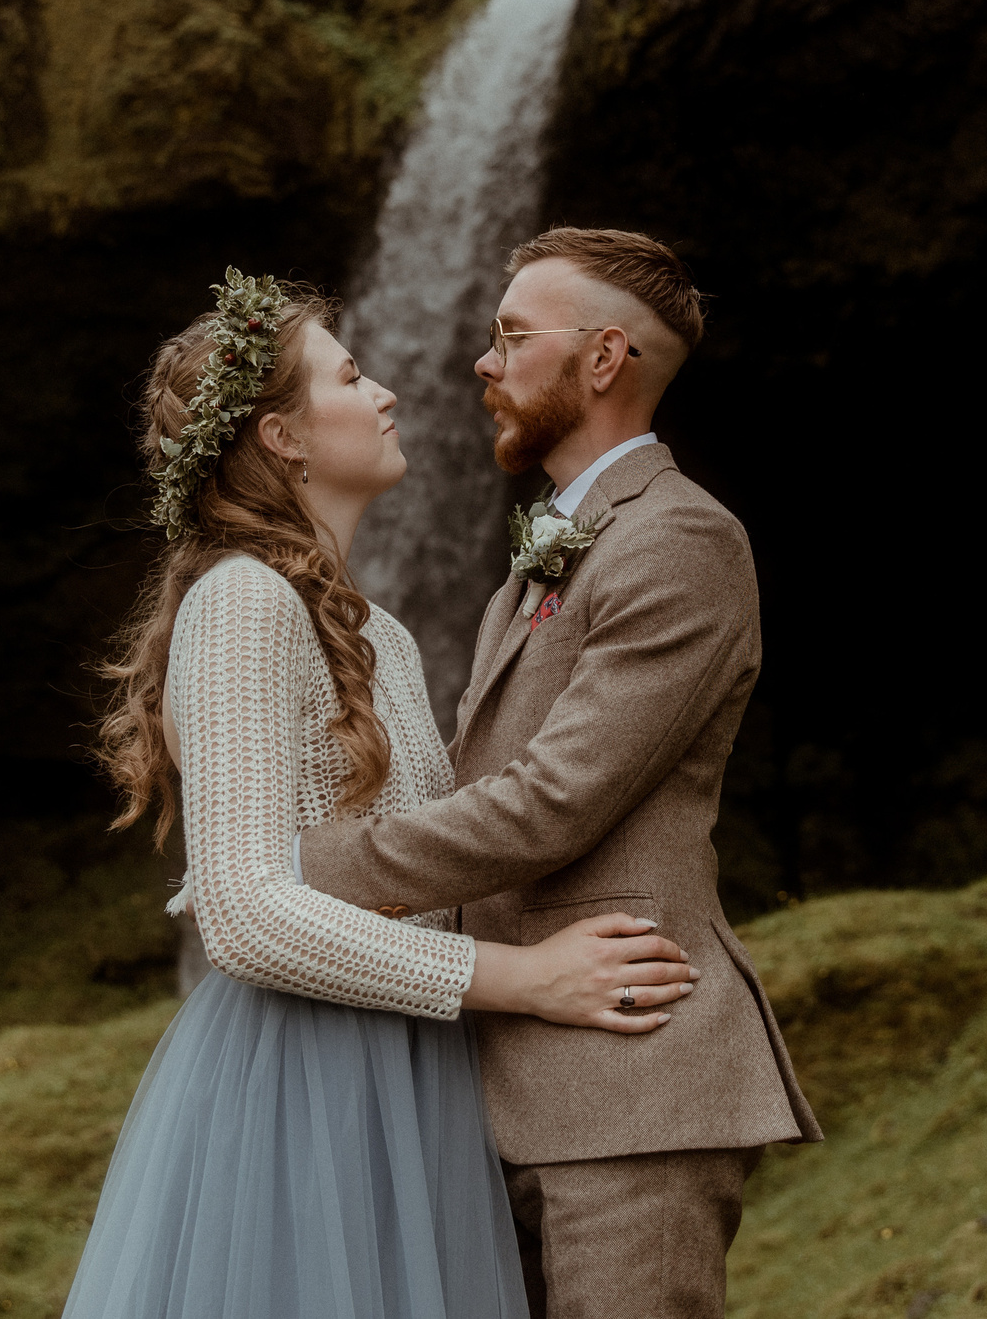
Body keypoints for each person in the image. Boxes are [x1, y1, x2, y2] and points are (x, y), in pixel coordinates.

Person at [64, 269, 700, 1319]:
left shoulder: (377, 631)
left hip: (409, 1065)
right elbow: (244, 913)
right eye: (352, 377)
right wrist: (525, 977)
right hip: (301, 1080)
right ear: (284, 439)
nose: (388, 393)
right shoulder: (241, 602)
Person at [297, 228, 821, 1319]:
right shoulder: (549, 556)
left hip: (634, 1085)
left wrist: (303, 867)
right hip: (512, 1075)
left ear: (602, 361)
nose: (482, 365)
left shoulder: (681, 539)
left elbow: (553, 801)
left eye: (511, 337)